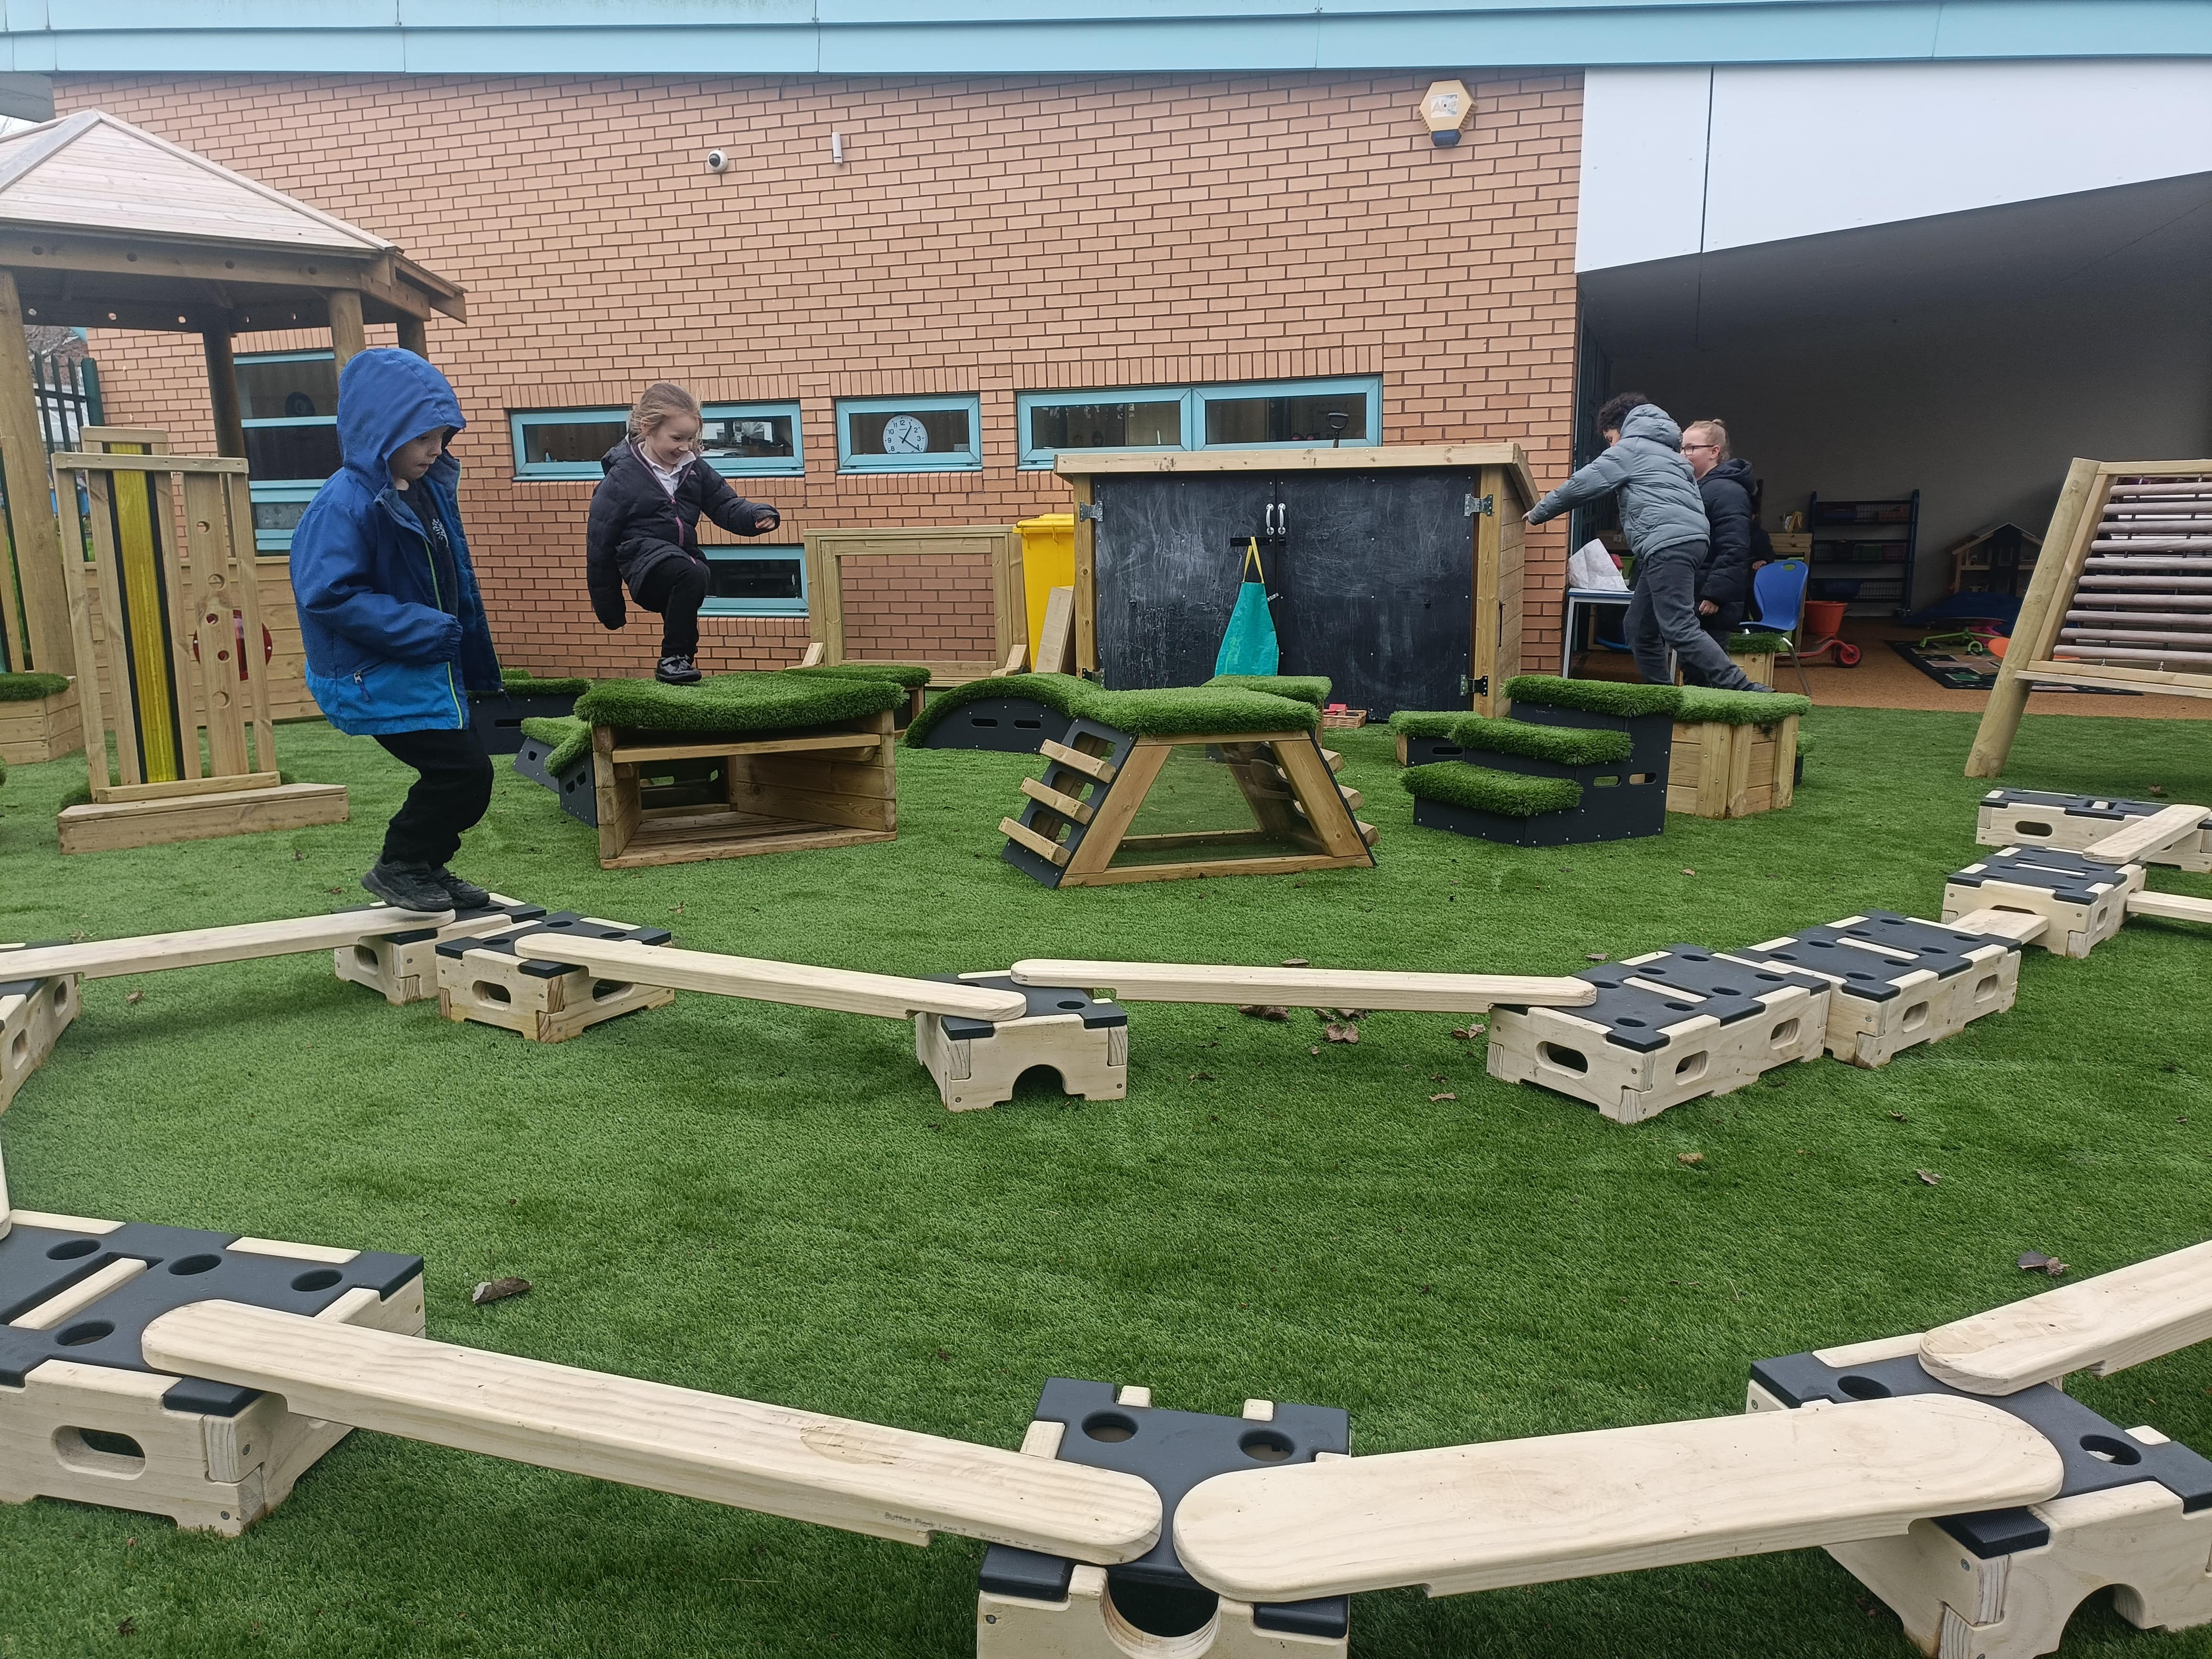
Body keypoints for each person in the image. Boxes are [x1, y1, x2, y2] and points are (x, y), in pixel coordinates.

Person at [291, 348, 502, 915]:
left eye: (442, 436)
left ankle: (426, 865)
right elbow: (327, 593)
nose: (436, 450)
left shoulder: (424, 488)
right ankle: (401, 864)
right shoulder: (345, 503)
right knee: (462, 772)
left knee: (466, 775)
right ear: (380, 433)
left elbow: (449, 570)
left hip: (422, 666)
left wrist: (465, 641)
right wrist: (421, 628)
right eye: (422, 438)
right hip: (375, 673)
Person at [1525, 392, 1768, 693]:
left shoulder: (1630, 449)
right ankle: (1662, 697)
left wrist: (1537, 513)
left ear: (1622, 429)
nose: (1610, 446)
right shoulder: (1671, 456)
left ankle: (1743, 687)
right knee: (1639, 627)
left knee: (1678, 626)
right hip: (1688, 542)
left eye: (1610, 438)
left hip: (1668, 544)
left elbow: (1581, 485)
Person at [586, 382, 783, 685]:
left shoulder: (694, 469)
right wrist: (610, 608)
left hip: (683, 562)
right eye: (677, 438)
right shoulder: (622, 478)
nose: (685, 447)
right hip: (642, 564)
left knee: (696, 574)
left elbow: (725, 504)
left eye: (691, 439)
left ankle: (681, 662)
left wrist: (756, 515)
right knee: (688, 573)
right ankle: (673, 658)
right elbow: (600, 544)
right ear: (647, 428)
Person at [1681, 418, 1758, 678]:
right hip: (1695, 592)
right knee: (1693, 669)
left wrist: (1715, 595)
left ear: (1714, 452)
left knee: (1708, 671)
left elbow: (1734, 547)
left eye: (1692, 448)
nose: (1684, 454)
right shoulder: (1696, 488)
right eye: (1682, 448)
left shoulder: (1727, 492)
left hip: (1710, 600)